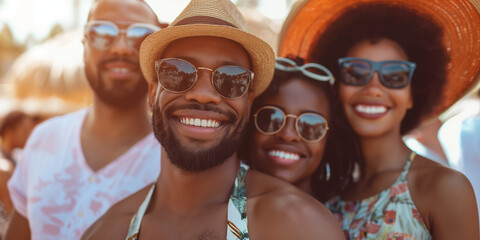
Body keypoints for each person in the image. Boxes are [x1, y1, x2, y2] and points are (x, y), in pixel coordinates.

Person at [82, 0, 344, 239]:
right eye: (178, 72)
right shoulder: (108, 231)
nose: (203, 95)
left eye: (231, 79)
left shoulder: (298, 225)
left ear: (249, 101)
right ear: (153, 94)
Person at [279, 0, 480, 239]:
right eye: (356, 72)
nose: (374, 88)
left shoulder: (443, 187)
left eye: (394, 76)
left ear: (412, 95)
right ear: (336, 87)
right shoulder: (327, 190)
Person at [6, 0, 165, 239]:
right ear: (85, 45)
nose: (121, 48)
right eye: (102, 32)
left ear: (156, 52)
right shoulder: (43, 139)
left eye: (141, 35)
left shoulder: (174, 158)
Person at [242, 56, 358, 202]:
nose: (288, 135)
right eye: (271, 117)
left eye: (310, 124)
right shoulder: (218, 208)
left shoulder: (334, 220)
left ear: (328, 139)